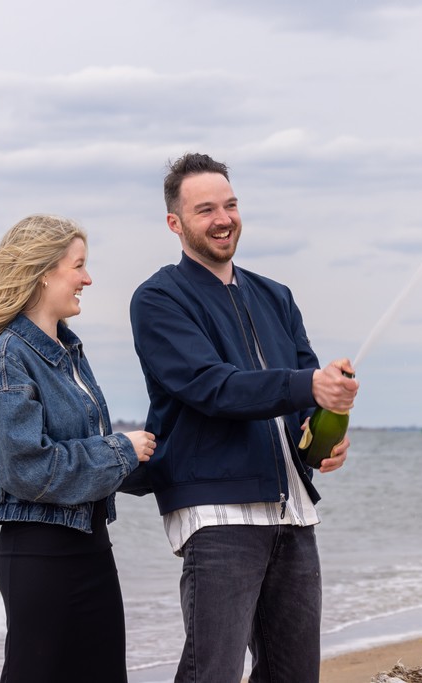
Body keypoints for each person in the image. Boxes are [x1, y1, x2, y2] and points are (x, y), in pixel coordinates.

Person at [129, 153, 359, 683]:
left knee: (292, 675)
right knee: (213, 672)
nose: (223, 218)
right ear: (175, 223)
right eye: (205, 209)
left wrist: (322, 435)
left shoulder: (276, 296)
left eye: (230, 205)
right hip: (215, 510)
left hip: (292, 512)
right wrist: (307, 384)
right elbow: (213, 387)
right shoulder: (159, 299)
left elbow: (304, 395)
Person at [0, 214, 155, 683]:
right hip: (39, 557)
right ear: (44, 272)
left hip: (91, 549)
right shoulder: (8, 358)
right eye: (79, 266)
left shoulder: (67, 355)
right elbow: (29, 469)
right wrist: (123, 449)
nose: (88, 278)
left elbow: (88, 456)